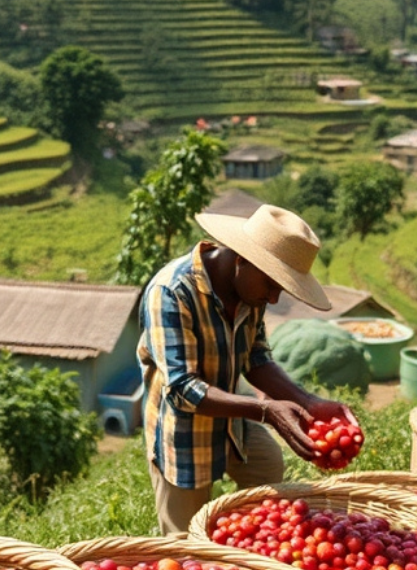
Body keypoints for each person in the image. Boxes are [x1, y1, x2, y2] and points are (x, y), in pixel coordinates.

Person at [139, 204, 353, 536]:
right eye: (272, 284)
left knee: (268, 467)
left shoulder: (249, 293)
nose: (273, 298)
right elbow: (182, 388)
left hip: (232, 416)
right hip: (182, 431)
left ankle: (246, 546)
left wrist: (308, 402)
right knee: (185, 545)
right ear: (242, 259)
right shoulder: (171, 291)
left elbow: (256, 358)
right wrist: (267, 411)